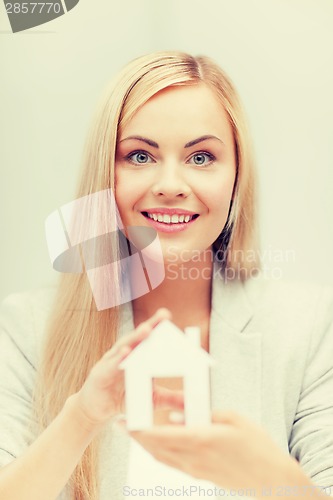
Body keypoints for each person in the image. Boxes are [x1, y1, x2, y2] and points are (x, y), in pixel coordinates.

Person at [0, 50, 332, 500]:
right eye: (139, 155)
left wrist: (270, 477)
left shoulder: (309, 326)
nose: (171, 184)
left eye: (201, 157)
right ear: (106, 175)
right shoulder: (22, 329)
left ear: (237, 176)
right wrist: (81, 418)